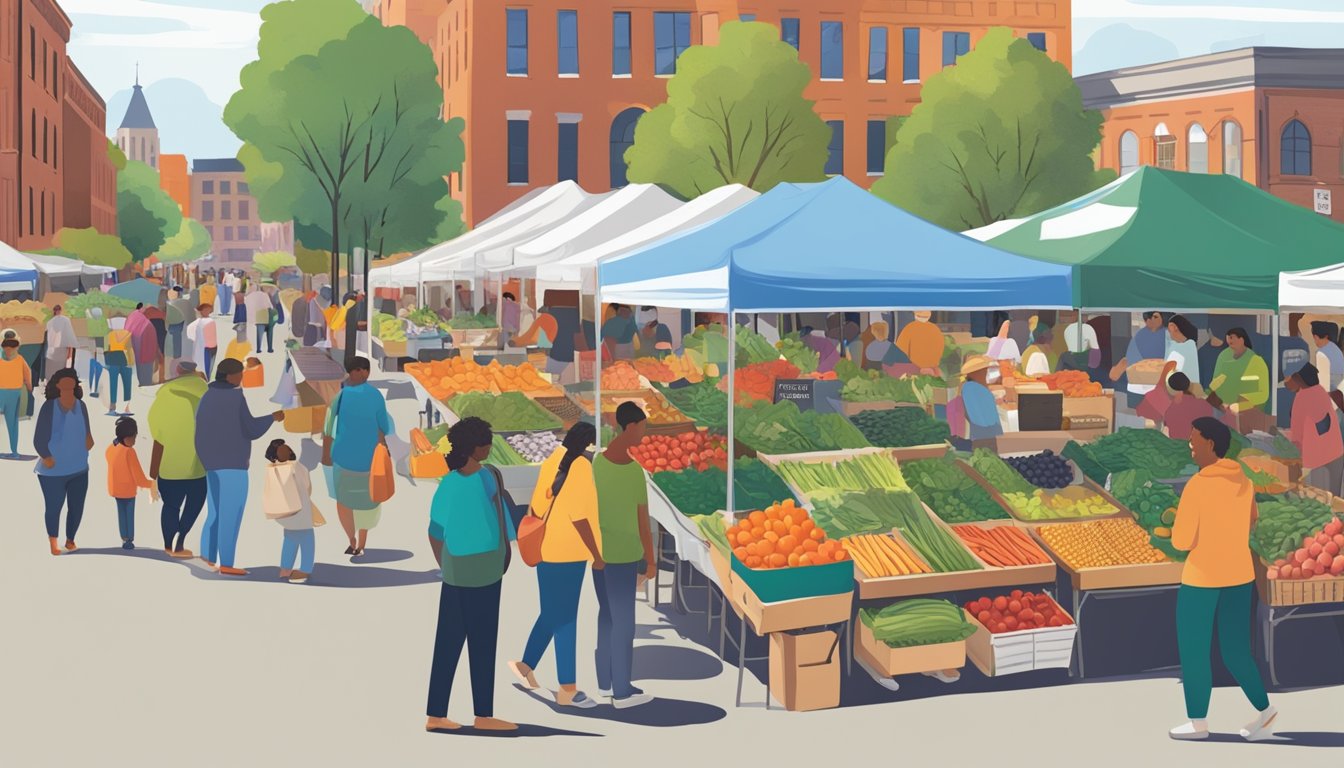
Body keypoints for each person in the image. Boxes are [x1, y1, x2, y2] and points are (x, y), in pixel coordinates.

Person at [1169, 417, 1275, 741]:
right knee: (1236, 651)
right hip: (1239, 576)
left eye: (1194, 439)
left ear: (1210, 444)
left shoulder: (1198, 486)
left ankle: (1198, 723)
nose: (1190, 444)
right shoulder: (1243, 481)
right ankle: (1266, 711)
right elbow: (1253, 519)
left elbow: (1181, 541)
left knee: (1194, 649)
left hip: (1202, 578)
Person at [426, 417, 517, 733]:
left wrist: (446, 565)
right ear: (475, 447)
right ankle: (480, 715)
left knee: (449, 643)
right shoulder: (485, 478)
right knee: (481, 644)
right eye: (487, 441)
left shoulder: (452, 483)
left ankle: (439, 714)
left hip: (461, 573)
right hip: (485, 572)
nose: (490, 446)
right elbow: (501, 522)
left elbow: (435, 532)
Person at [510, 421, 603, 709]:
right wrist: (597, 555)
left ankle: (525, 666)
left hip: (545, 549)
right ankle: (568, 689)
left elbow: (535, 507)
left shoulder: (551, 461)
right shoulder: (582, 468)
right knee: (566, 619)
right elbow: (580, 518)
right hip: (570, 553)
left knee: (551, 613)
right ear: (588, 446)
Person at [591, 402, 656, 709]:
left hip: (600, 554)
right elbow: (643, 522)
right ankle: (621, 692)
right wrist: (651, 559)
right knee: (625, 623)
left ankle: (604, 682)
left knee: (606, 617)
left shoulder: (596, 464)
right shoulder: (633, 473)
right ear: (630, 427)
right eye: (642, 427)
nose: (643, 433)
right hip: (623, 555)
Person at [195, 358, 285, 575]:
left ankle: (206, 558)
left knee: (214, 513)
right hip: (233, 464)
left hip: (210, 463)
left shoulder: (206, 396)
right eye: (239, 374)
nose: (242, 377)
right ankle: (226, 563)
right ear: (230, 376)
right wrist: (273, 417)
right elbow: (251, 429)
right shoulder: (236, 397)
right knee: (231, 515)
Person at [322, 355, 392, 556]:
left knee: (344, 501)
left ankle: (352, 540)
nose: (363, 373)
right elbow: (384, 427)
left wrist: (325, 454)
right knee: (368, 501)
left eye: (364, 369)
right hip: (370, 460)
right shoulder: (376, 396)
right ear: (356, 372)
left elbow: (327, 426)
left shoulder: (341, 396)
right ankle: (361, 541)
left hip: (343, 457)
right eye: (361, 369)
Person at [150, 360, 209, 558]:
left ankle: (168, 544)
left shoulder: (164, 395)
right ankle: (181, 540)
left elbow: (157, 436)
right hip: (198, 465)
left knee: (171, 506)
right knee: (194, 506)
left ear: (177, 372)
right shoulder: (207, 395)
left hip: (169, 465)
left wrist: (153, 472)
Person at [34, 369, 94, 556]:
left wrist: (88, 442)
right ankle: (53, 541)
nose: (69, 384)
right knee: (54, 506)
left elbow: (87, 433)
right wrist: (47, 456)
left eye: (72, 381)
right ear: (57, 385)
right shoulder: (49, 407)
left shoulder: (81, 405)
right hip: (52, 472)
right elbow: (38, 439)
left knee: (77, 507)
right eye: (64, 381)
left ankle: (70, 539)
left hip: (79, 468)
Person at [1284, 363, 1343, 496]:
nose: (1287, 383)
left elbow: (1297, 436)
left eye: (1289, 379)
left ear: (1299, 379)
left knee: (1319, 501)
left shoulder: (1301, 398)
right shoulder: (1321, 391)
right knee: (1335, 499)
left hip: (1317, 459)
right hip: (1336, 452)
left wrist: (1293, 452)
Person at [266, 439, 316, 584]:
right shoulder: (298, 467)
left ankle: (285, 568)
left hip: (284, 512)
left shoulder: (272, 469)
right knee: (307, 540)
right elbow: (307, 486)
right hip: (301, 510)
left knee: (290, 539)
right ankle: (305, 568)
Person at [106, 416, 156, 550]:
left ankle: (124, 538)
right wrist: (151, 484)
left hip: (115, 488)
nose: (134, 440)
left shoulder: (112, 447)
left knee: (121, 514)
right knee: (129, 514)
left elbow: (108, 457)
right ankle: (129, 540)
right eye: (133, 437)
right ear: (126, 436)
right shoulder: (129, 452)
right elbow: (139, 477)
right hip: (127, 491)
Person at [1209, 327, 1270, 421]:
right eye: (1228, 341)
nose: (1229, 344)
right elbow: (1213, 386)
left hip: (1246, 413)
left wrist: (1240, 404)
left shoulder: (1256, 361)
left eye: (1232, 340)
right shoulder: (1223, 356)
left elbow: (1263, 394)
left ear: (1242, 340)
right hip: (1221, 410)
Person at [1110, 311, 1169, 407]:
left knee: (1140, 418)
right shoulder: (1168, 335)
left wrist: (1116, 373)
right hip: (1160, 388)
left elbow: (1129, 361)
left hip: (1139, 389)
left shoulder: (1140, 336)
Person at [0, 337, 32, 458]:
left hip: (13, 393)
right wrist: (29, 388)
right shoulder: (19, 360)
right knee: (12, 423)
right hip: (9, 393)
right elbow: (28, 375)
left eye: (10, 349)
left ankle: (14, 451)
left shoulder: (20, 360)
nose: (8, 352)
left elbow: (27, 374)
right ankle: (13, 452)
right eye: (6, 349)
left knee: (12, 423)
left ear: (17, 348)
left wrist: (29, 387)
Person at [959, 355, 1002, 445]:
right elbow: (978, 416)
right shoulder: (971, 388)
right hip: (984, 435)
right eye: (983, 370)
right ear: (975, 373)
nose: (986, 372)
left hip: (988, 434)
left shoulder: (977, 387)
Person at [1162, 373, 1214, 441]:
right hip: (1198, 447)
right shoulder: (1204, 404)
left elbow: (1166, 424)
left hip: (1177, 446)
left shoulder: (1169, 409)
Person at [895, 311, 944, 376]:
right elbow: (940, 350)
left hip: (913, 372)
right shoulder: (936, 330)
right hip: (932, 371)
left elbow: (900, 352)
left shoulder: (909, 328)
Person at [104, 320, 136, 417]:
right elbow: (130, 348)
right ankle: (126, 408)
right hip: (125, 359)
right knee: (127, 384)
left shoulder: (108, 335)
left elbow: (106, 349)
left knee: (112, 384)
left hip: (112, 359)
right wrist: (131, 362)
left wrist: (107, 363)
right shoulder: (128, 334)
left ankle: (112, 408)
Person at [125, 303, 161, 387]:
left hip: (132, 354)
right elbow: (153, 346)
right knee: (145, 381)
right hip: (145, 356)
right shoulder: (147, 325)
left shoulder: (132, 316)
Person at [1163, 314, 1201, 390]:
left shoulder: (1187, 346)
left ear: (1175, 327)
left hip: (1182, 389)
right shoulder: (1177, 345)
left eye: (1170, 330)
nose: (1169, 333)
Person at [1310, 321, 1344, 393]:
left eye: (1314, 338)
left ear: (1315, 337)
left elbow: (1321, 377)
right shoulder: (1334, 347)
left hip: (1331, 386)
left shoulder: (1321, 352)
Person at [186, 303, 218, 378]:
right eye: (205, 310)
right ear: (200, 311)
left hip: (213, 346)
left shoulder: (211, 321)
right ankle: (205, 378)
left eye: (208, 310)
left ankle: (207, 378)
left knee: (209, 366)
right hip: (205, 348)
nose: (207, 312)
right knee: (205, 366)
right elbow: (190, 335)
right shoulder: (197, 323)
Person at [44, 305, 77, 376]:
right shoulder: (66, 320)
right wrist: (70, 352)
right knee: (61, 369)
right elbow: (69, 335)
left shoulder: (50, 322)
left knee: (53, 369)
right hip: (62, 348)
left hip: (53, 349)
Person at [246, 284, 274, 354]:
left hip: (254, 318)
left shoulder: (248, 297)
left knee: (259, 332)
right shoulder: (264, 295)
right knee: (270, 331)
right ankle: (269, 348)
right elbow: (270, 306)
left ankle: (258, 349)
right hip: (263, 315)